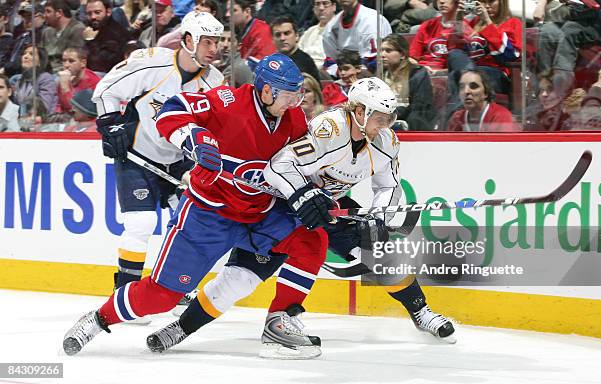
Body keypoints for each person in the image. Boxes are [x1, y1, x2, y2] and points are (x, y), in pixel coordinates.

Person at [146, 77, 455, 360]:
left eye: (389, 118)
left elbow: (387, 185)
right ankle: (181, 329)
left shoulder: (387, 142)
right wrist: (303, 196)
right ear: (359, 111)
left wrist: (380, 214)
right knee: (239, 279)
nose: (385, 124)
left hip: (329, 207)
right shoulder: (329, 129)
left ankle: (422, 312)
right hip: (282, 208)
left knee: (378, 251)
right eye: (379, 117)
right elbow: (281, 166)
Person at [62, 53, 331, 358]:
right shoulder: (226, 101)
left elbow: (303, 167)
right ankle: (97, 320)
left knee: (313, 236)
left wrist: (317, 194)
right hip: (208, 214)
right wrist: (194, 137)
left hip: (261, 214)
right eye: (289, 95)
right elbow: (171, 110)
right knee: (161, 297)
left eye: (298, 95)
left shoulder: (294, 119)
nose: (295, 103)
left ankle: (281, 320)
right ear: (267, 90)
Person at [90, 11, 225, 314]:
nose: (213, 48)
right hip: (138, 155)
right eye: (207, 41)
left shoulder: (214, 82)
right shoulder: (152, 62)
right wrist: (110, 123)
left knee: (190, 223)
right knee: (141, 223)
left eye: (216, 42)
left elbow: (215, 128)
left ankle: (176, 288)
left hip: (178, 162)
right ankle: (125, 290)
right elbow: (106, 89)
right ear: (188, 40)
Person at [381, 33, 437, 130]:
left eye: (388, 50)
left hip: (411, 123)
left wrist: (395, 114)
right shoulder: (380, 75)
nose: (383, 54)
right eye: (382, 50)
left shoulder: (418, 74)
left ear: (402, 54)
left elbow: (420, 107)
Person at [322, 0, 392, 72]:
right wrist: (340, 72)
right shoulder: (331, 27)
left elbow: (377, 61)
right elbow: (330, 62)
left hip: (375, 73)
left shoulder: (372, 20)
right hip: (344, 74)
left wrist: (353, 72)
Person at [447, 69, 518, 131]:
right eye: (462, 87)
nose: (466, 91)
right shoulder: (457, 118)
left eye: (473, 86)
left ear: (486, 93)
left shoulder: (501, 116)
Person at [83, 0, 131, 74]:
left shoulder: (116, 33)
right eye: (89, 13)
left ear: (108, 12)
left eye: (97, 12)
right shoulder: (91, 30)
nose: (93, 17)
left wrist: (90, 41)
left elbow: (99, 64)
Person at [271, 15, 321, 84]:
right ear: (273, 40)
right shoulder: (270, 62)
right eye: (278, 35)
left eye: (287, 33)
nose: (282, 38)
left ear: (297, 36)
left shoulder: (305, 62)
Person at [13, 45, 58, 118]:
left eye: (31, 54)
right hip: (23, 121)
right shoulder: (19, 80)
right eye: (24, 53)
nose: (25, 56)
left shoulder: (46, 78)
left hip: (43, 122)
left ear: (40, 61)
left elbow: (44, 107)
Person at [41, 0, 86, 73]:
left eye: (48, 11)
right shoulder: (47, 32)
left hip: (66, 72)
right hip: (47, 72)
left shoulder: (77, 29)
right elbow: (41, 56)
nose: (44, 15)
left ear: (59, 13)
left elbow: (75, 59)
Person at [56, 47, 101, 115]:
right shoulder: (64, 78)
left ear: (83, 63)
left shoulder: (94, 82)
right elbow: (60, 107)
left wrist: (65, 88)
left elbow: (78, 112)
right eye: (64, 61)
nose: (66, 65)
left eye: (71, 61)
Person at [298, 0, 337, 70]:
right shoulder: (309, 32)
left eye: (325, 3)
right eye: (317, 4)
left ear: (334, 6)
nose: (321, 8)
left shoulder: (341, 30)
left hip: (327, 74)